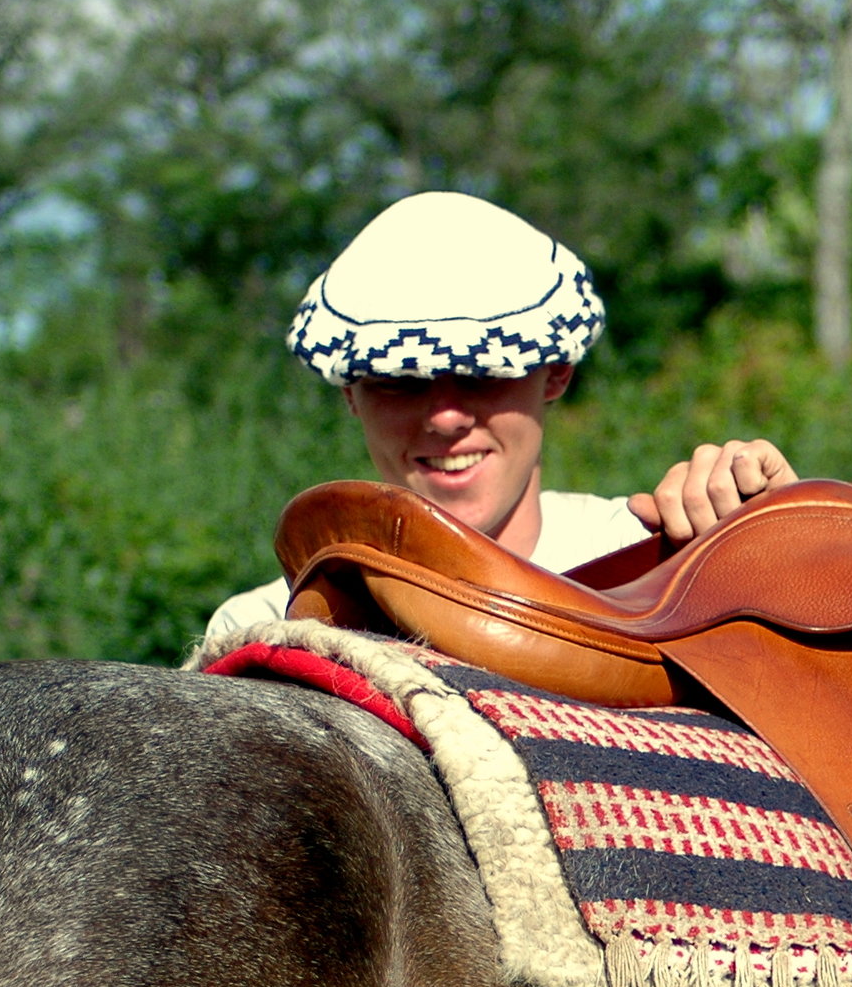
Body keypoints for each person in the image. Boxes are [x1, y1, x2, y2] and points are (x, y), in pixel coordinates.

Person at [204, 192, 797, 647]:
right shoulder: (272, 629)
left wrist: (789, 539)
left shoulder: (665, 565)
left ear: (557, 372)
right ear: (351, 395)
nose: (445, 416)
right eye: (401, 382)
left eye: (484, 374)